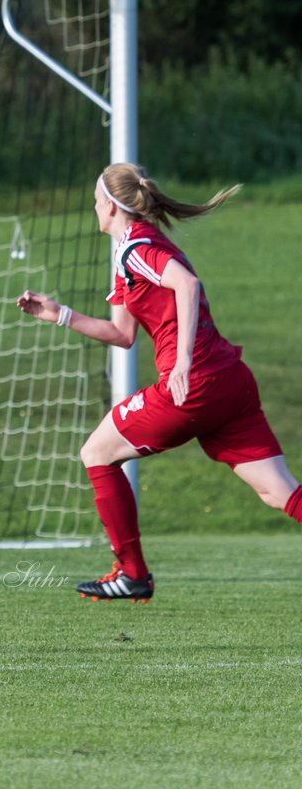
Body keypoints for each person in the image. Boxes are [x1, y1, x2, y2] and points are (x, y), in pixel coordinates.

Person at [16, 162, 302, 603]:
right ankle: (130, 573)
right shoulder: (131, 251)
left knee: (96, 452)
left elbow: (187, 285)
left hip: (195, 385)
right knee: (278, 491)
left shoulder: (137, 249)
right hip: (230, 383)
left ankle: (132, 574)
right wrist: (60, 315)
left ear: (111, 206)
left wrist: (184, 361)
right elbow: (122, 335)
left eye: (96, 199)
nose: (92, 206)